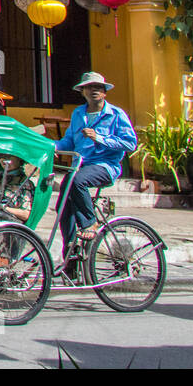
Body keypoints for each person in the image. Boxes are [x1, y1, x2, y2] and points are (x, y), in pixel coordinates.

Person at [54, 72, 136, 269]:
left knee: (77, 181)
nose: (94, 90)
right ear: (82, 91)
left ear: (105, 92)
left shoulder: (116, 115)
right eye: (89, 87)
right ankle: (71, 261)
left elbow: (130, 143)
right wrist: (53, 147)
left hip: (106, 166)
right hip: (80, 165)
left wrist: (99, 138)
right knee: (63, 207)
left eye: (98, 87)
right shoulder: (78, 114)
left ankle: (90, 223)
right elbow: (69, 141)